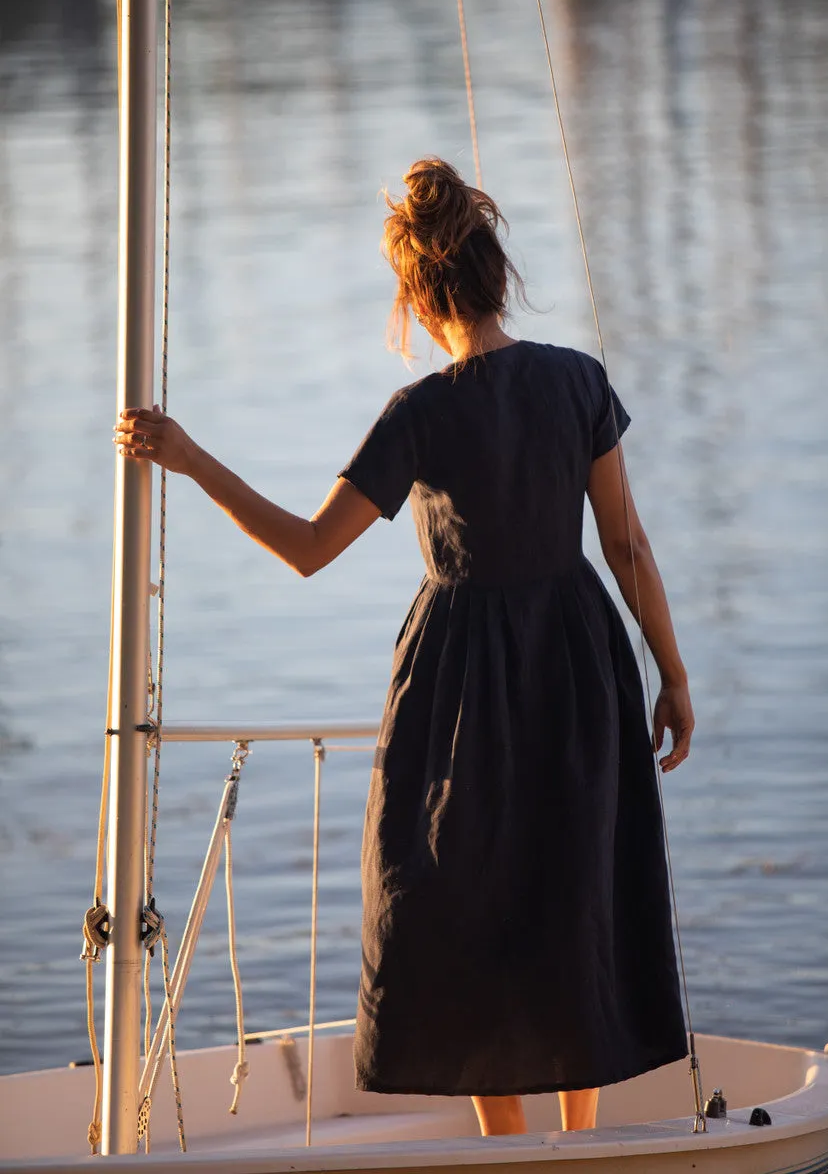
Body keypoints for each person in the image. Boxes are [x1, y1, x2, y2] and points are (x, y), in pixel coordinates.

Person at [115, 157, 693, 1138]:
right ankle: (577, 1144)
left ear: (417, 293)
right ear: (497, 271)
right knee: (571, 886)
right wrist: (670, 671)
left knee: (444, 905)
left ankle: (505, 1145)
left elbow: (305, 549)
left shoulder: (419, 412)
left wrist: (188, 455)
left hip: (457, 684)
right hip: (575, 662)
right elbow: (626, 541)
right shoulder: (578, 380)